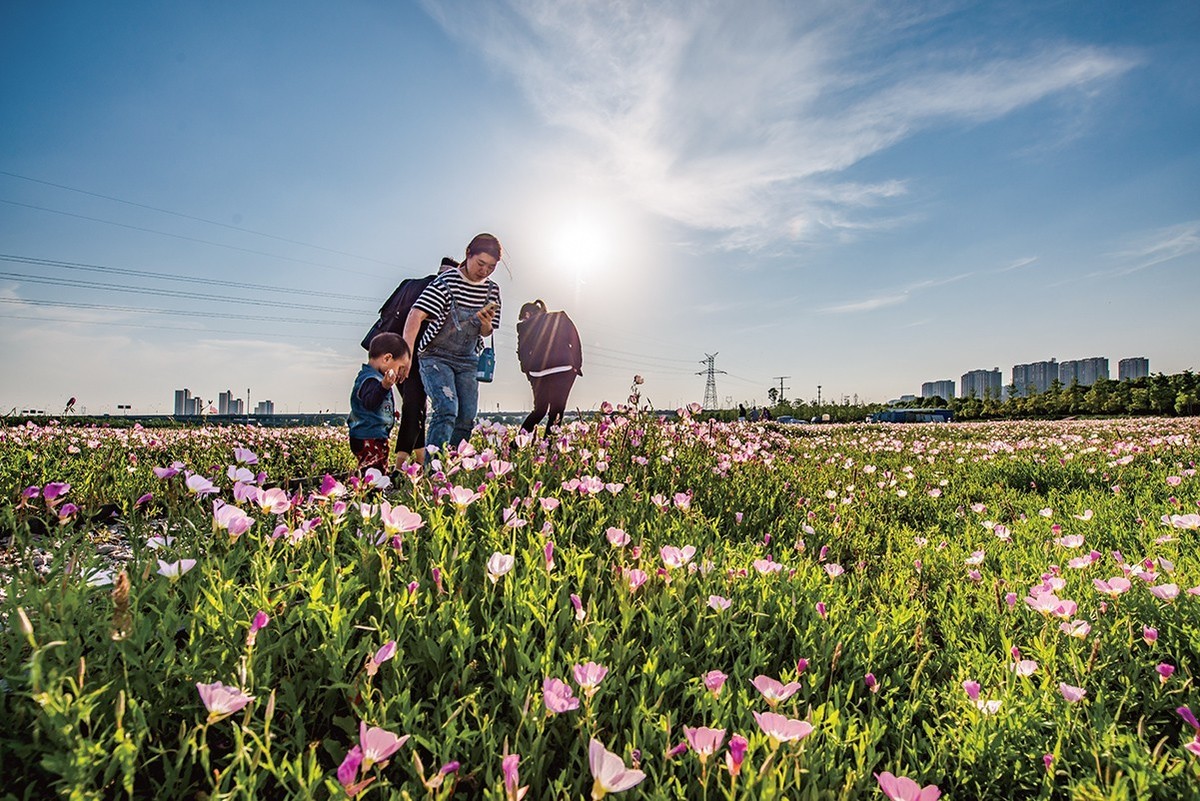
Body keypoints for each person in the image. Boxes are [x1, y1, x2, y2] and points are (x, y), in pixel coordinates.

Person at [401, 233, 502, 456]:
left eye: (491, 267)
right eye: (480, 263)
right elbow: (415, 315)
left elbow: (487, 331)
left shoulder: (491, 291)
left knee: (466, 417)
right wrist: (406, 355)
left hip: (468, 359)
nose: (484, 271)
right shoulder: (447, 282)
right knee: (447, 409)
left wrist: (485, 324)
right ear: (468, 254)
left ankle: (452, 466)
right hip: (435, 356)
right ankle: (432, 473)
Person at [392, 257, 459, 469]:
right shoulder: (439, 292)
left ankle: (419, 463)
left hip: (393, 355)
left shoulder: (414, 285)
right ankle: (399, 468)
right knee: (414, 408)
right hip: (414, 358)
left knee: (416, 407)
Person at [516, 299, 582, 437]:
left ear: (527, 314)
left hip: (538, 373)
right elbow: (574, 340)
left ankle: (514, 446)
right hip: (564, 369)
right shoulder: (560, 317)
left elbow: (523, 352)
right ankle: (548, 450)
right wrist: (577, 365)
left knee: (539, 410)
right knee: (556, 412)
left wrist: (527, 371)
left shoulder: (525, 326)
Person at [348, 332, 411, 472]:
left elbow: (373, 403)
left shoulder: (371, 377)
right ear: (387, 359)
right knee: (375, 472)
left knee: (374, 469)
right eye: (399, 367)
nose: (399, 373)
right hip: (369, 437)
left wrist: (389, 412)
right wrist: (385, 386)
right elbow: (369, 402)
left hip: (369, 436)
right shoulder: (372, 379)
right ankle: (372, 493)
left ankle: (370, 491)